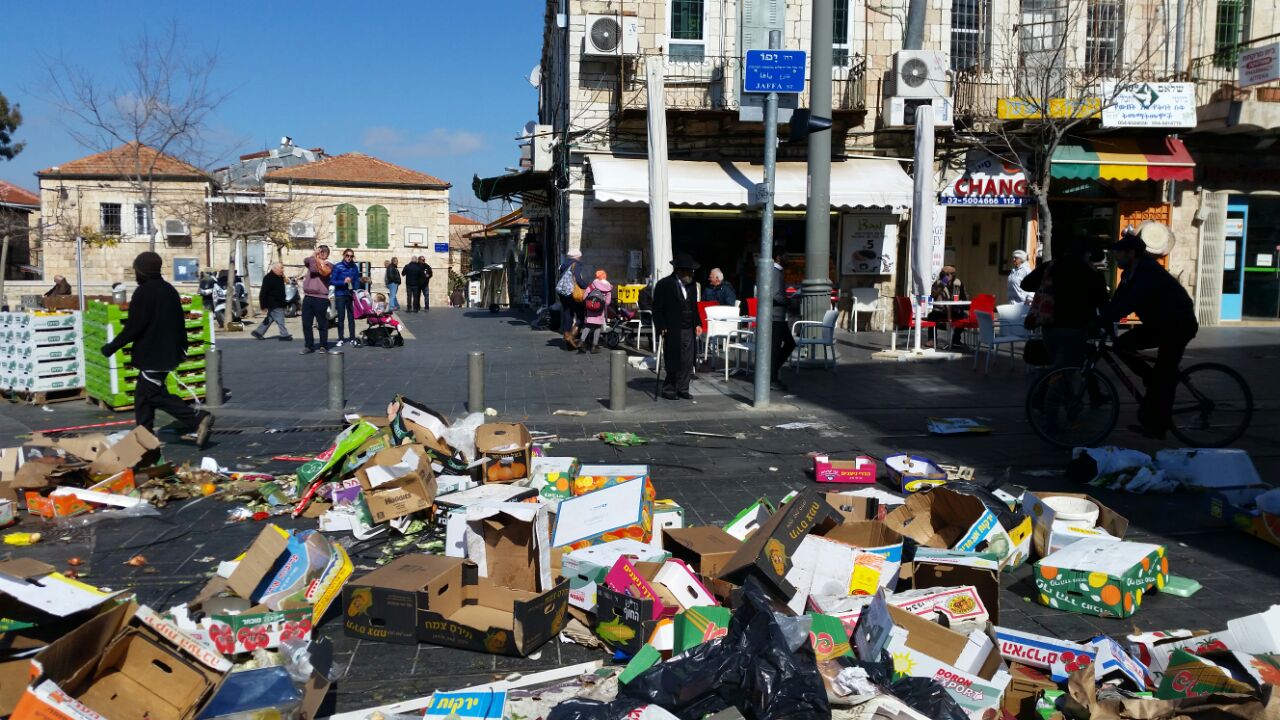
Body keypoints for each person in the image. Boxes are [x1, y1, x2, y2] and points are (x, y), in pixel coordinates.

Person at [100, 252, 214, 448]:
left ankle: (197, 417)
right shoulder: (169, 290)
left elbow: (134, 327)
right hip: (168, 352)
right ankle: (144, 436)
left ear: (142, 271)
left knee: (154, 395)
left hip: (153, 354)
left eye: (137, 270)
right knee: (143, 396)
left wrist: (111, 347)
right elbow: (180, 323)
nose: (136, 274)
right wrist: (182, 349)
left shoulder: (143, 292)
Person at [1101, 232, 1199, 439]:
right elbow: (1118, 302)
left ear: (1132, 253)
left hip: (1178, 325)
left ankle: (1158, 426)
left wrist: (1104, 320)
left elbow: (1128, 304)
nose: (1115, 257)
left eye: (1119, 253)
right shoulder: (1129, 273)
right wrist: (1101, 319)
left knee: (1164, 376)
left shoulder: (1147, 272)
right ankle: (1150, 378)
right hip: (1160, 324)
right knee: (1121, 345)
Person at [1021, 239, 1109, 370]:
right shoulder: (1093, 274)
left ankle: (1051, 385)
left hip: (1050, 325)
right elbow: (1103, 303)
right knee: (1068, 369)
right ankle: (1054, 388)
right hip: (1078, 327)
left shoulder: (1050, 266)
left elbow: (1025, 284)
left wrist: (1046, 288)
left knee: (1059, 366)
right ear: (1087, 254)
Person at [653, 253, 703, 400]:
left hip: (688, 328)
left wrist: (698, 323)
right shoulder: (664, 284)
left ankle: (683, 388)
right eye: (688, 271)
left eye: (691, 271)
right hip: (673, 328)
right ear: (679, 271)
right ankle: (669, 389)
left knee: (687, 360)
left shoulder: (692, 285)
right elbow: (657, 308)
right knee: (674, 359)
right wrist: (661, 325)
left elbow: (694, 306)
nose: (690, 274)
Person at [768, 251, 797, 391]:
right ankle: (771, 377)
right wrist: (788, 302)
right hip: (775, 317)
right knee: (775, 349)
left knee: (789, 344)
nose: (788, 258)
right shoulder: (774, 271)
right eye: (786, 255)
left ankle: (771, 373)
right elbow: (775, 294)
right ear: (778, 256)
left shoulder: (777, 271)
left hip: (778, 316)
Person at [300, 245, 332, 354]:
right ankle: (309, 345)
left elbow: (314, 270)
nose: (322, 253)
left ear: (328, 254)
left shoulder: (329, 265)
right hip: (309, 296)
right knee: (306, 323)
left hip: (321, 297)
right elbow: (306, 261)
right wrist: (314, 255)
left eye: (325, 252)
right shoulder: (312, 260)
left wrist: (315, 257)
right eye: (320, 251)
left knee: (322, 323)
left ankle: (323, 345)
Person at [555, 250, 589, 350]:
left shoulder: (564, 264)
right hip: (571, 293)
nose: (580, 258)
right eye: (580, 256)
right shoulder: (576, 264)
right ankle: (572, 336)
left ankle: (566, 335)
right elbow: (578, 279)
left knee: (567, 313)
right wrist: (586, 287)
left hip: (562, 293)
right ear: (577, 257)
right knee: (581, 315)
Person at [929, 265, 970, 348]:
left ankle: (956, 339)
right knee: (931, 316)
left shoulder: (958, 283)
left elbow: (966, 298)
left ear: (953, 274)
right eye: (944, 274)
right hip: (941, 310)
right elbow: (932, 296)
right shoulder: (938, 283)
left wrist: (960, 302)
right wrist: (941, 286)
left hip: (954, 310)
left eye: (950, 274)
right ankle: (932, 339)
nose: (947, 276)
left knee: (964, 316)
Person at [252, 262, 293, 341]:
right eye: (281, 268)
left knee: (270, 318)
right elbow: (263, 292)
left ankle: (258, 332)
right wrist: (263, 305)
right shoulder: (268, 278)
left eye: (282, 268)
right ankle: (284, 335)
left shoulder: (280, 277)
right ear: (274, 268)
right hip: (274, 303)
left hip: (279, 302)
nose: (282, 270)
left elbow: (286, 283)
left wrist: (284, 277)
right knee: (280, 319)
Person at [329, 250, 362, 346]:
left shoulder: (354, 267)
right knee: (341, 317)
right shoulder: (338, 266)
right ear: (343, 255)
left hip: (350, 294)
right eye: (347, 255)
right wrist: (343, 281)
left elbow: (356, 280)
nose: (349, 257)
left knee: (351, 317)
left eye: (351, 256)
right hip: (340, 294)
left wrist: (356, 287)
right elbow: (332, 281)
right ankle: (341, 338)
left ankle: (352, 337)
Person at [580, 270, 613, 354]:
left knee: (588, 326)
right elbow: (608, 302)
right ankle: (594, 346)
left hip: (589, 310)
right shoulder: (608, 288)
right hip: (599, 311)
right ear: (605, 277)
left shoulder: (592, 285)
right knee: (597, 327)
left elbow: (584, 297)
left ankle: (581, 341)